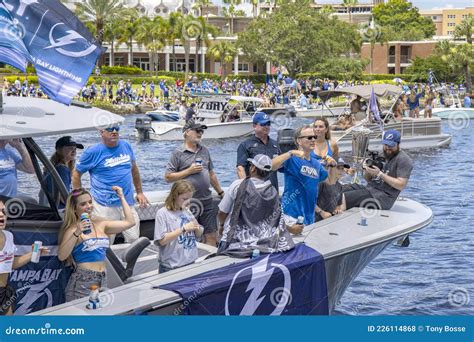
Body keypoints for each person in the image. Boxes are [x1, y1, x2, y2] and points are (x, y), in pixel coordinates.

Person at [72, 125, 149, 243]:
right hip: (104, 205)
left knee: (134, 238)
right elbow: (76, 174)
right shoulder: (92, 152)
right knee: (106, 242)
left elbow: (134, 169)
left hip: (127, 202)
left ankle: (127, 261)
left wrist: (139, 192)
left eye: (116, 129)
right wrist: (79, 197)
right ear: (101, 132)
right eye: (110, 129)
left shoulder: (126, 146)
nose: (114, 132)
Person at [58, 187, 135, 301]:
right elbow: (62, 256)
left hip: (103, 277)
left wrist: (122, 197)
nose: (89, 206)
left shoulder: (100, 223)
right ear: (74, 209)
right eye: (83, 204)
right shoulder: (72, 229)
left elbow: (130, 222)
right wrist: (77, 232)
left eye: (90, 202)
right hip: (83, 279)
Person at [217, 155, 294, 256]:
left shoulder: (237, 185)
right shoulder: (273, 191)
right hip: (263, 244)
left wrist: (221, 226)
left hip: (235, 243)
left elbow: (222, 212)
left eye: (251, 165)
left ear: (253, 168)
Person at [165, 121, 224, 247]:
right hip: (188, 203)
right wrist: (189, 171)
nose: (200, 133)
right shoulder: (178, 153)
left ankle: (209, 264)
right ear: (187, 132)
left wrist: (220, 192)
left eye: (202, 131)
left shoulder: (205, 150)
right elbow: (168, 177)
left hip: (207, 200)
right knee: (189, 236)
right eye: (197, 131)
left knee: (211, 235)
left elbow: (211, 174)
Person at [272, 125, 336, 226]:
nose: (313, 140)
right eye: (309, 137)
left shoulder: (316, 164)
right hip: (291, 216)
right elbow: (271, 166)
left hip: (309, 218)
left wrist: (333, 165)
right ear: (299, 141)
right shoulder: (291, 159)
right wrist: (290, 153)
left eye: (315, 137)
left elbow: (330, 181)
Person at [342, 129, 413, 211]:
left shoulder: (404, 160)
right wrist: (368, 169)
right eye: (386, 145)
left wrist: (380, 174)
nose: (388, 148)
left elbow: (401, 185)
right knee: (343, 189)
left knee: (348, 197)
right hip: (370, 189)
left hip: (384, 198)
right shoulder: (382, 155)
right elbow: (368, 179)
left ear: (398, 144)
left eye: (391, 145)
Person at [1, 200, 49, 315]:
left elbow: (10, 264)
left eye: (3, 211)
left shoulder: (8, 236)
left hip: (4, 292)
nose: (1, 215)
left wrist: (33, 254)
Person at [154, 180, 202, 273]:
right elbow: (161, 241)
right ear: (175, 196)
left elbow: (199, 234)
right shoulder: (162, 213)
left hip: (190, 263)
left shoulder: (186, 211)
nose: (187, 202)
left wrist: (195, 222)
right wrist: (183, 229)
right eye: (184, 199)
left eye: (189, 199)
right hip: (172, 267)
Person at [236, 112, 281, 190]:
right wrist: (246, 188)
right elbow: (240, 168)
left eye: (268, 124)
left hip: (273, 191)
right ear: (254, 126)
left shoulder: (275, 144)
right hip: (254, 192)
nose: (266, 127)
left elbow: (282, 166)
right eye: (263, 124)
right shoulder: (245, 145)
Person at [40, 136, 84, 208]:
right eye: (70, 148)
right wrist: (79, 194)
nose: (74, 151)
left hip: (50, 208)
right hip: (60, 211)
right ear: (59, 150)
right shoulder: (62, 169)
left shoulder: (53, 167)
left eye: (75, 148)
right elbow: (64, 198)